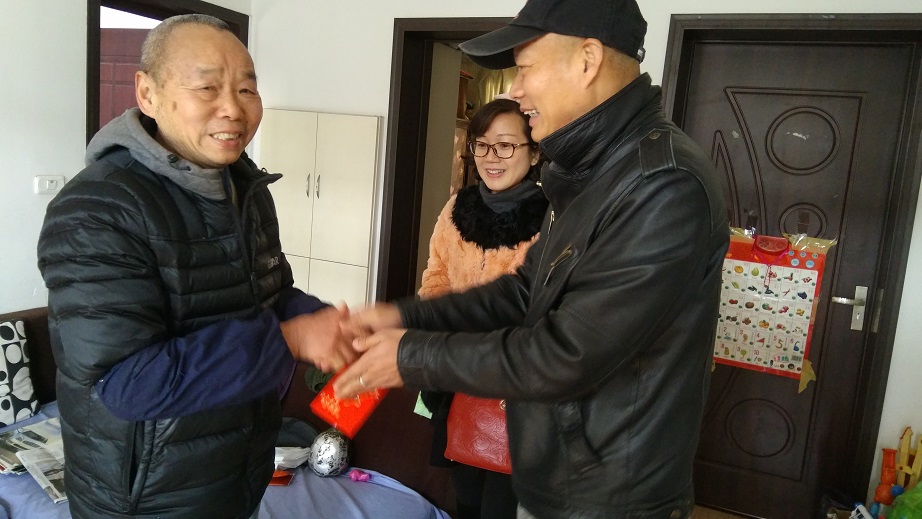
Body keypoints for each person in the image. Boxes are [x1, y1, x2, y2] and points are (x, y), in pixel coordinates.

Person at [334, 0, 729, 517]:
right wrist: (404, 316)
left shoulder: (661, 184)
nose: (516, 91)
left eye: (525, 69)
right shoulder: (592, 172)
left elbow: (567, 354)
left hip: (607, 498)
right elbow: (524, 292)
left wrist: (412, 356)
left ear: (587, 60)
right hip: (556, 475)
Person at [36, 14, 355, 518]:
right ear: (148, 94)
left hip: (238, 470)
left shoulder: (244, 188)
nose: (233, 108)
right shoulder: (97, 208)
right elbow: (127, 383)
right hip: (147, 498)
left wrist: (326, 321)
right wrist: (291, 339)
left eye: (247, 89)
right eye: (207, 87)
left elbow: (271, 296)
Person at [418, 98, 547, 519]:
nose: (492, 157)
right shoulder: (457, 209)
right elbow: (436, 275)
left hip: (515, 385)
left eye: (506, 145)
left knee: (501, 502)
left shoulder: (552, 219)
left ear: (534, 152)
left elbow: (543, 306)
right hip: (457, 374)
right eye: (483, 144)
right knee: (466, 493)